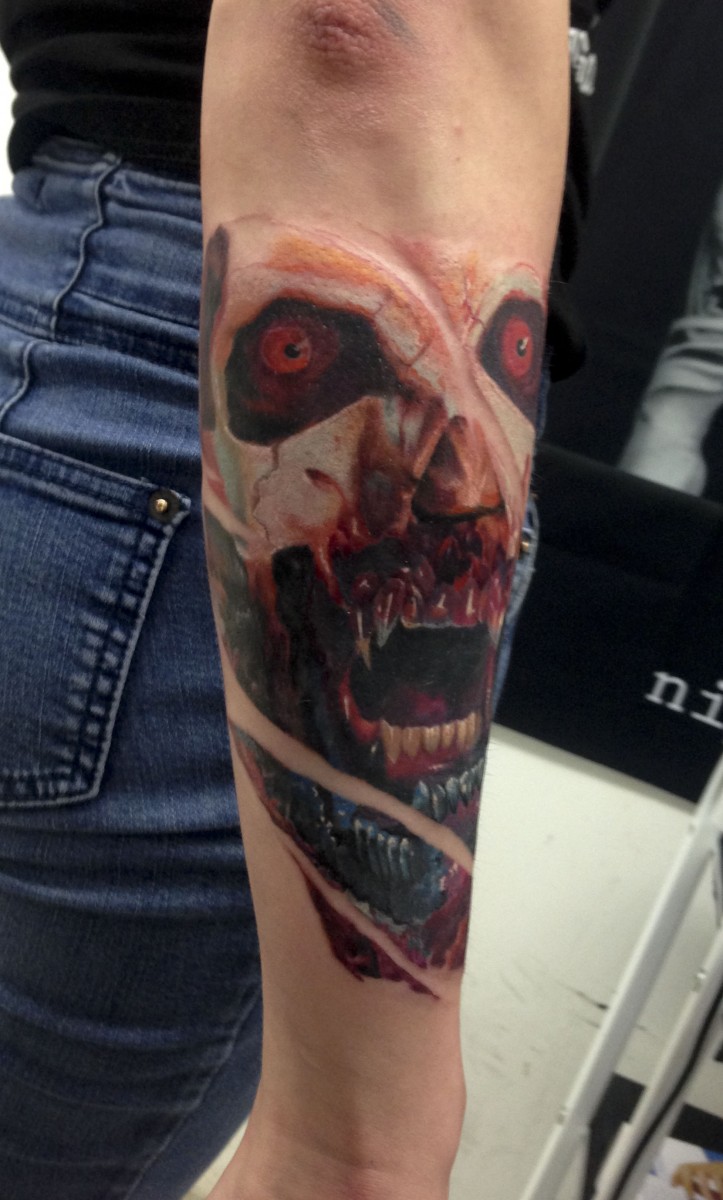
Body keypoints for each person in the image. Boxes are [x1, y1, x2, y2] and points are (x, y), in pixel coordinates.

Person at [0, 2, 598, 1197]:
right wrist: (355, 1135)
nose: (464, 489)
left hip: (61, 313)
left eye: (506, 357)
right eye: (307, 354)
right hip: (182, 392)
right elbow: (358, 32)